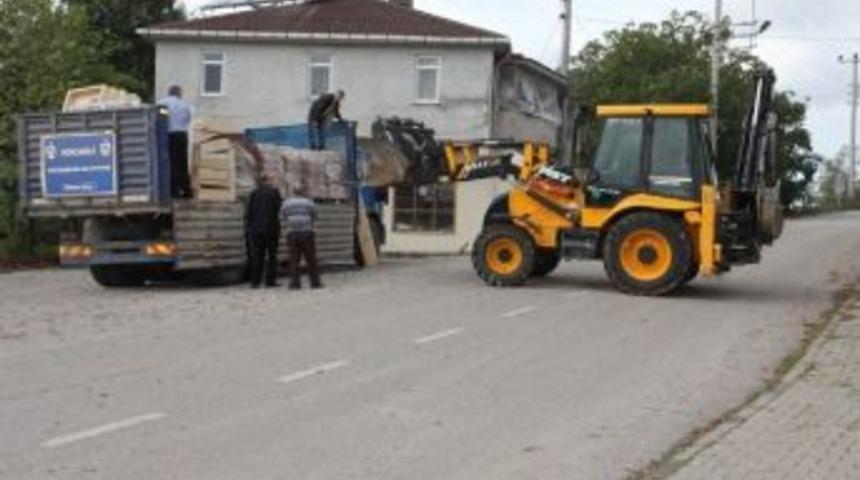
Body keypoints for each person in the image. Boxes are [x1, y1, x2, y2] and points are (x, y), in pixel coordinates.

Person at [245, 174, 283, 288]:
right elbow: (278, 208)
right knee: (272, 256)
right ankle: (270, 281)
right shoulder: (274, 192)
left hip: (256, 230)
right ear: (269, 180)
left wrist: (250, 227)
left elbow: (248, 212)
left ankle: (255, 282)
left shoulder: (253, 193)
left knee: (257, 255)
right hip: (271, 229)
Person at [282, 185, 322, 290]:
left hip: (292, 233)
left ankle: (295, 284)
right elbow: (315, 216)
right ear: (303, 192)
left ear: (293, 192)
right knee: (311, 259)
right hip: (307, 233)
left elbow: (283, 216)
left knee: (294, 259)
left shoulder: (287, 203)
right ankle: (315, 283)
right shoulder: (309, 202)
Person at [159, 85, 193, 198]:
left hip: (169, 135)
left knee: (170, 163)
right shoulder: (184, 105)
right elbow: (188, 119)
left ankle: (173, 191)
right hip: (182, 135)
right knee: (182, 163)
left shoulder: (163, 104)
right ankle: (186, 190)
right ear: (179, 93)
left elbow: (162, 117)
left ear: (169, 92)